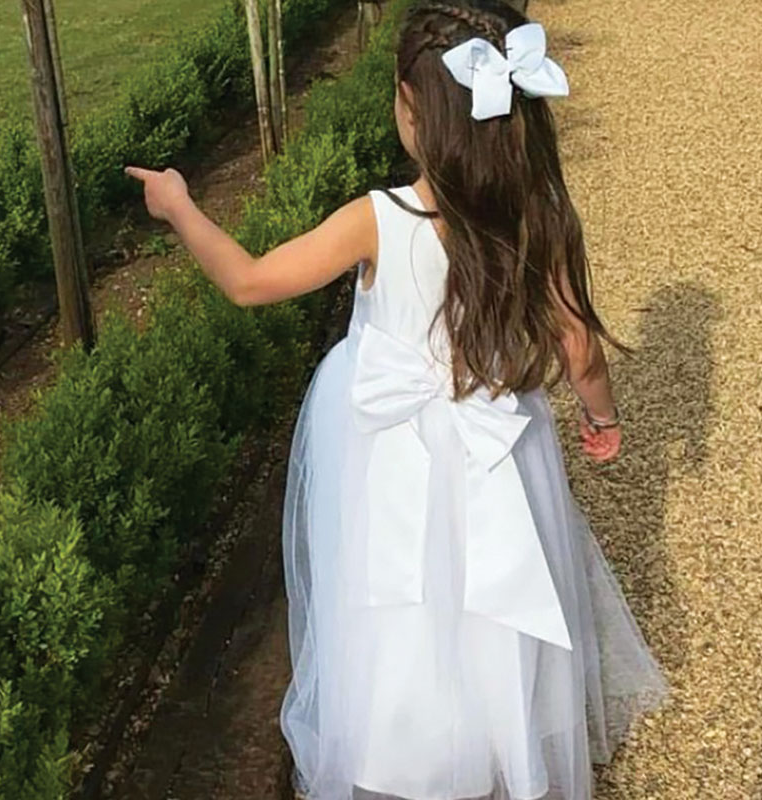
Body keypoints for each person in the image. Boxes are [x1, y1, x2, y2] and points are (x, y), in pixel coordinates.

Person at [124, 0, 669, 796]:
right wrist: (602, 416)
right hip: (497, 442)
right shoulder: (538, 215)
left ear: (413, 114)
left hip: (389, 448)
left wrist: (178, 205)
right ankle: (498, 746)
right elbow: (580, 343)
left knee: (395, 597)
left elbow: (248, 281)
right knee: (497, 593)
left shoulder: (377, 220)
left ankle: (401, 754)